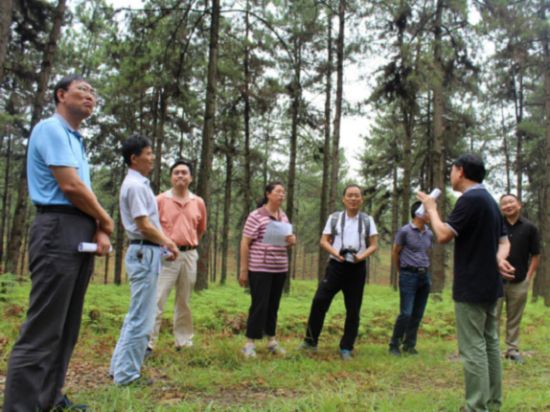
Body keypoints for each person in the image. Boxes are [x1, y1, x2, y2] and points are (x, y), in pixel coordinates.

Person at [3, 74, 113, 412]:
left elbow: (82, 190)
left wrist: (97, 227)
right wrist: (106, 219)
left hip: (78, 228)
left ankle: (47, 398)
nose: (90, 96)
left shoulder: (76, 139)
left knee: (66, 324)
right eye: (82, 90)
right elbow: (70, 187)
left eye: (93, 92)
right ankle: (21, 406)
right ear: (61, 94)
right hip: (56, 227)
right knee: (44, 325)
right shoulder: (50, 129)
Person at [418, 154, 515, 412]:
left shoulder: (470, 200)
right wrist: (498, 259)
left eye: (452, 170)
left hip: (471, 285)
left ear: (460, 172)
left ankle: (475, 407)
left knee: (473, 348)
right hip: (490, 284)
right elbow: (504, 242)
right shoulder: (490, 202)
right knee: (490, 343)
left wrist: (431, 209)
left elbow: (442, 235)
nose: (450, 175)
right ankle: (492, 403)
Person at [109, 134, 179, 385]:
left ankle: (119, 368)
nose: (152, 158)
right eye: (148, 154)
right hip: (143, 252)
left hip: (146, 252)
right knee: (142, 317)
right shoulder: (136, 186)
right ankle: (127, 376)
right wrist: (167, 241)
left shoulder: (138, 183)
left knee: (136, 314)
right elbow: (143, 225)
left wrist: (160, 247)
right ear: (134, 158)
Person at [300, 184, 379, 360]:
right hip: (336, 266)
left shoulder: (367, 220)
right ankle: (310, 341)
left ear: (361, 199)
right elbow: (324, 240)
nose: (353, 199)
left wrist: (360, 256)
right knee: (320, 300)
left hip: (357, 268)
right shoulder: (334, 218)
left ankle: (346, 347)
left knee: (353, 309)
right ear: (343, 199)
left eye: (357, 195)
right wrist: (337, 253)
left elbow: (373, 245)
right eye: (349, 195)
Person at [148, 159, 207, 352]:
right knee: (157, 298)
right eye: (176, 173)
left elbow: (200, 229)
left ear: (190, 178)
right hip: (166, 255)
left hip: (189, 255)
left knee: (184, 300)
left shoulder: (198, 202)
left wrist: (189, 244)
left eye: (184, 172)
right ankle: (148, 343)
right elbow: (151, 226)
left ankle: (183, 341)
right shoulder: (160, 200)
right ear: (171, 177)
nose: (180, 175)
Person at [239, 181, 296, 358]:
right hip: (259, 267)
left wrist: (291, 240)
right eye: (278, 191)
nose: (282, 195)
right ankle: (249, 343)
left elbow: (284, 242)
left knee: (273, 305)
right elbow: (245, 242)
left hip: (279, 268)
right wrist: (244, 269)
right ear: (268, 194)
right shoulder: (256, 216)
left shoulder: (283, 216)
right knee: (259, 305)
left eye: (283, 192)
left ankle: (271, 340)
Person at [497, 194, 540, 364]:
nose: (508, 206)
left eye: (511, 202)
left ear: (519, 205)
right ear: (501, 208)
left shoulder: (530, 228)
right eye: (504, 204)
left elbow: (536, 255)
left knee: (514, 317)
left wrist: (528, 278)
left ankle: (512, 349)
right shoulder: (496, 226)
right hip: (497, 281)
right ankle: (491, 350)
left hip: (519, 281)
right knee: (493, 316)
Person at [389, 201, 433, 356]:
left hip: (424, 276)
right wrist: (401, 270)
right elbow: (395, 252)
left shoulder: (429, 233)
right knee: (406, 313)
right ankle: (394, 344)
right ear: (419, 213)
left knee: (417, 313)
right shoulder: (404, 231)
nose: (431, 214)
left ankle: (409, 345)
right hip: (408, 275)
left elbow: (425, 252)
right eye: (428, 211)